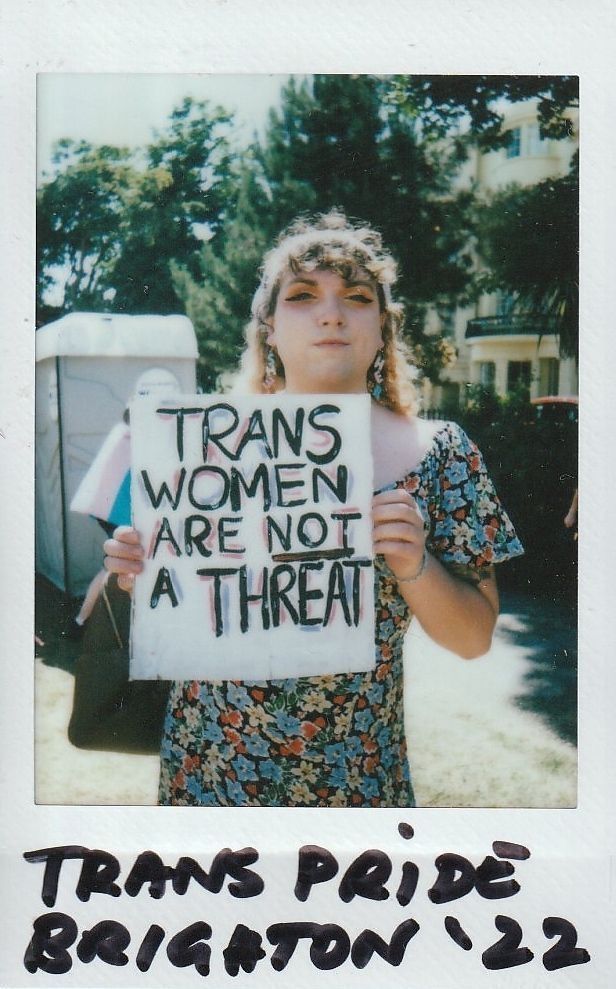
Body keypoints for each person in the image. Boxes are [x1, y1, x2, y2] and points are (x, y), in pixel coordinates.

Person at [103, 211, 523, 807]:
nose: (331, 313)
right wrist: (130, 570)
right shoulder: (197, 448)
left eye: (356, 297)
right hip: (208, 772)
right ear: (269, 328)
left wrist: (415, 565)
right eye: (303, 296)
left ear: (382, 330)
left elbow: (474, 638)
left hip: (355, 779)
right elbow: (144, 601)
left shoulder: (441, 451)